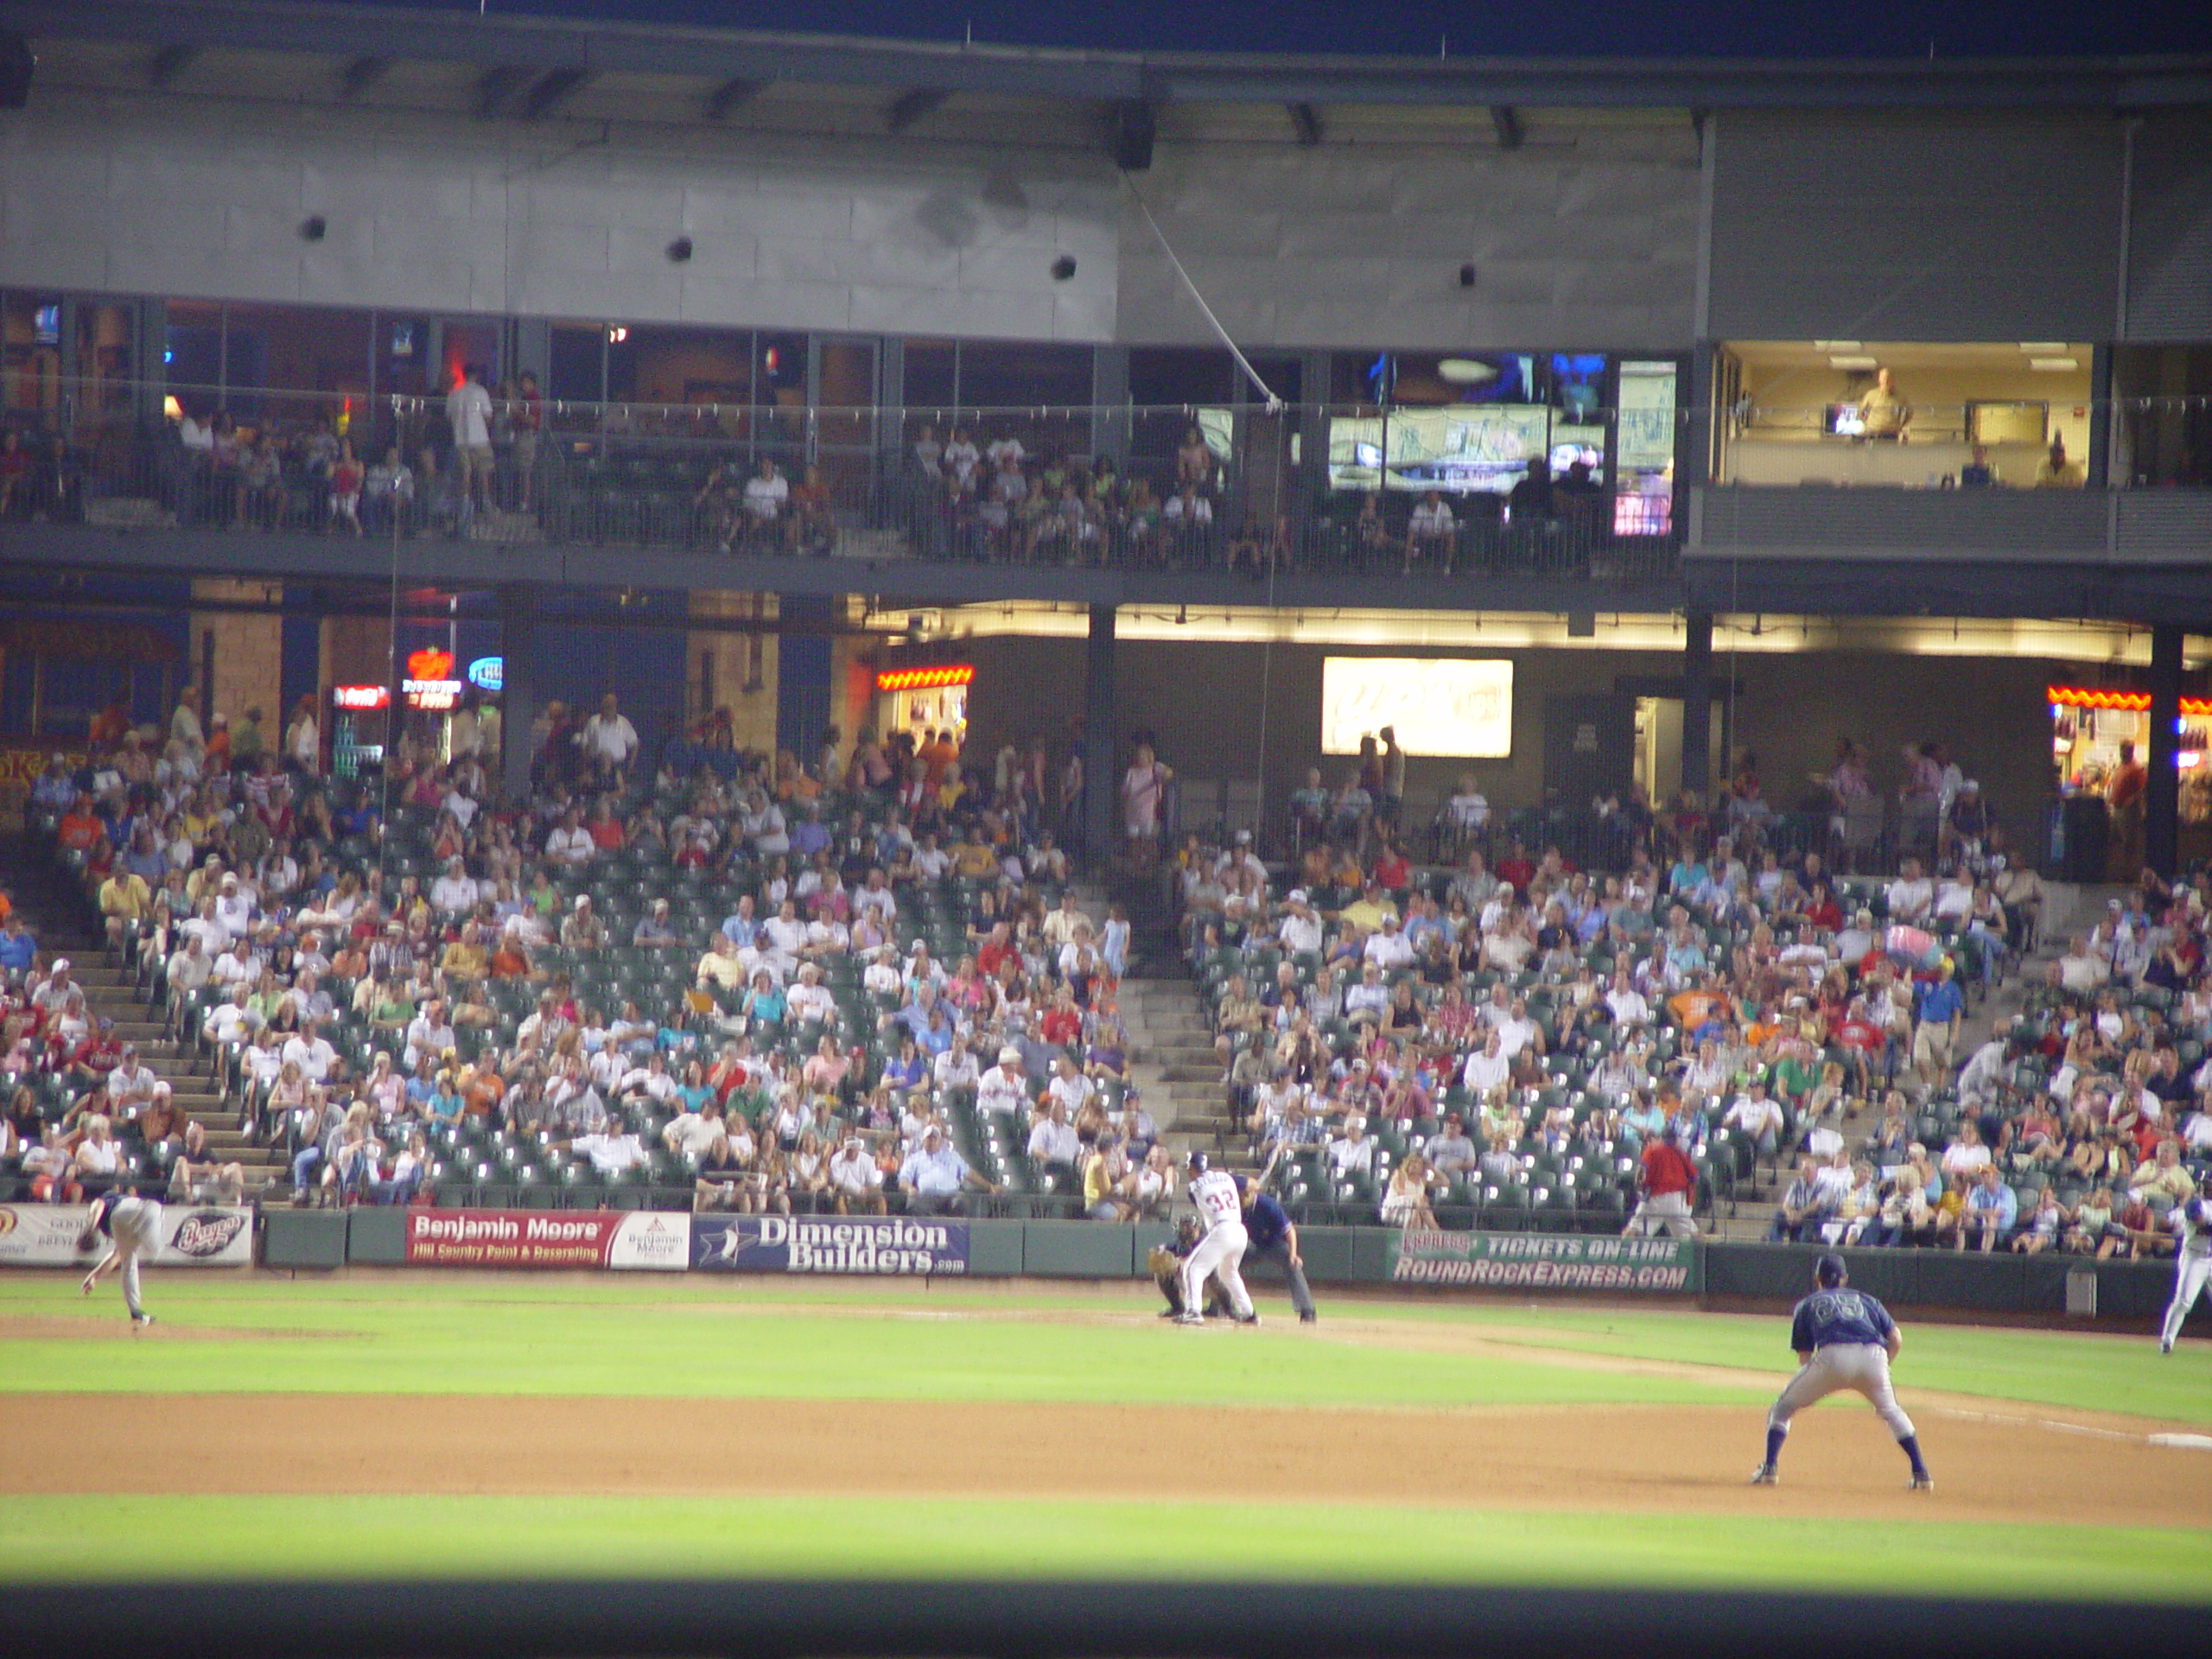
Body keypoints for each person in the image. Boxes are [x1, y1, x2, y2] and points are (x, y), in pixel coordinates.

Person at [1750, 1255, 1932, 1491]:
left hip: (1832, 1357)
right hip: (1874, 1356)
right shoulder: (1868, 1300)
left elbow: (1805, 1358)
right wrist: (1882, 1369)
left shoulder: (1807, 1304)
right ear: (1845, 1279)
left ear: (1817, 1279)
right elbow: (1895, 1339)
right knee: (1892, 1411)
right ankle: (1921, 1473)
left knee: (1781, 1409)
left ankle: (1770, 1469)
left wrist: (1814, 1386)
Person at [1173, 1151, 1256, 1327]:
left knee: (1192, 1268)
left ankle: (1193, 1311)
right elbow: (1252, 1184)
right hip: (1240, 1231)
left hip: (1222, 1229)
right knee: (1228, 1273)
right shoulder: (1226, 1177)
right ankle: (1249, 1312)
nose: (1188, 1172)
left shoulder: (1193, 1187)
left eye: (1189, 1168)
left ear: (1192, 1169)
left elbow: (1205, 1202)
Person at [77, 1186, 162, 1329]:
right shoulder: (110, 1197)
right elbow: (98, 1204)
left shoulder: (106, 1225)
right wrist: (91, 1228)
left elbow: (116, 1255)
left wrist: (94, 1276)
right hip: (132, 1211)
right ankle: (151, 1246)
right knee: (155, 1209)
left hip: (119, 1220)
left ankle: (135, 1310)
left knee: (128, 1260)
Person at [1240, 1174, 1316, 1325]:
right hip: (1254, 1245)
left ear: (1253, 1193)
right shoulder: (1237, 1206)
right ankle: (1221, 1306)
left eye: (1245, 1194)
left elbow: (1289, 1230)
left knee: (1292, 1265)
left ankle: (1307, 1310)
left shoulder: (1267, 1204)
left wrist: (1293, 1254)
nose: (1242, 1197)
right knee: (1227, 1266)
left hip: (1275, 1244)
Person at [1624, 1121, 1697, 1239]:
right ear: (1676, 1140)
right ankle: (1705, 1255)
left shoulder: (1652, 1149)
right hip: (1677, 1199)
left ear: (1661, 1138)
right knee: (1690, 1236)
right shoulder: (1681, 1153)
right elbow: (1694, 1177)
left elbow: (1641, 1171)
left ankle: (1620, 1256)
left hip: (1655, 1197)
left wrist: (1638, 1187)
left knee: (1632, 1230)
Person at [2158, 1194, 2210, 1354]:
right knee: (2183, 1302)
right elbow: (2198, 1219)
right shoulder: (2195, 1205)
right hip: (2194, 1259)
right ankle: (2167, 1342)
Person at [1855, 366, 1910, 441]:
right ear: (1879, 380)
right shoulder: (1871, 394)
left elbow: (1909, 413)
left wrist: (1900, 426)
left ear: (1892, 381)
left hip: (1891, 434)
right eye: (1883, 378)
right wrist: (1867, 423)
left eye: (1888, 378)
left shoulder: (1900, 397)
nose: (1886, 381)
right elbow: (1860, 412)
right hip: (1873, 433)